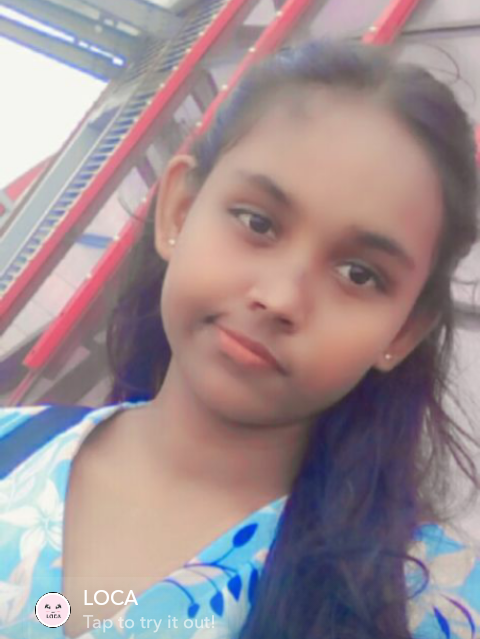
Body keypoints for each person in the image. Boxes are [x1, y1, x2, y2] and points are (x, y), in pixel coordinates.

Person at [0, 38, 479, 639]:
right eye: (258, 222)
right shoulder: (12, 448)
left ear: (403, 330)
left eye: (359, 274)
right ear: (179, 210)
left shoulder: (431, 601)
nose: (280, 298)